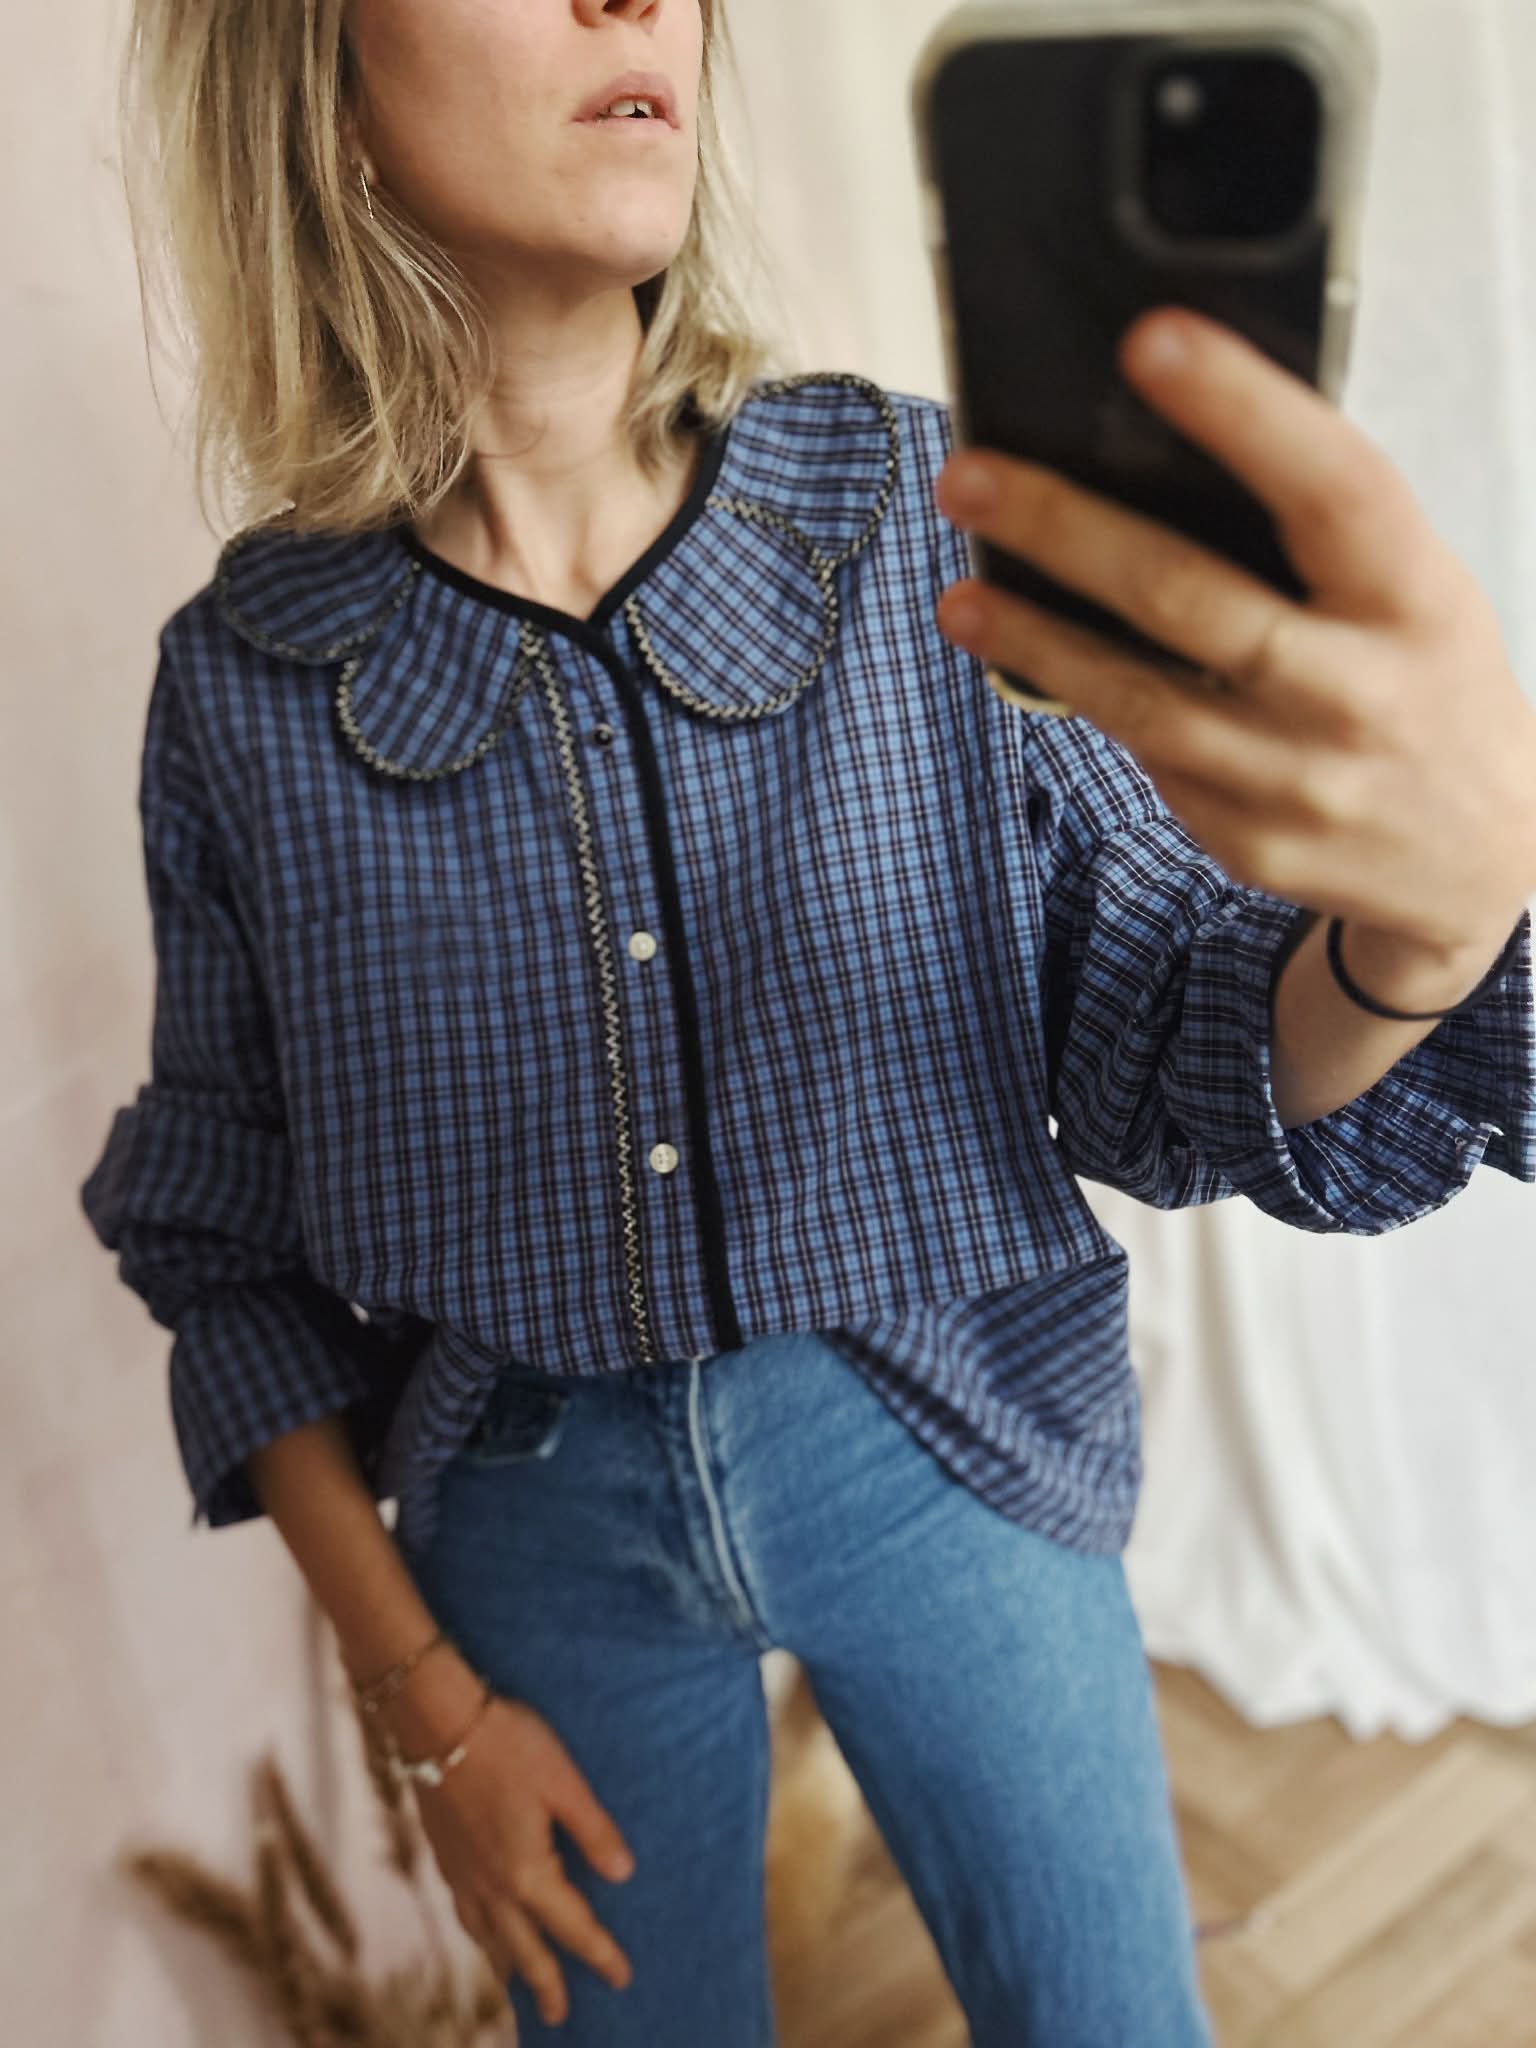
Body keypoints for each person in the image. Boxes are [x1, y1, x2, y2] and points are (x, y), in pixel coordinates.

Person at [81, 2, 1536, 2043]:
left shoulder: (921, 514)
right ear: (314, 82)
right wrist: (422, 1709)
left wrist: (1428, 934)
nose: (636, 0)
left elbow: (1180, 1029)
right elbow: (225, 1255)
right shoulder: (243, 692)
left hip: (948, 1431)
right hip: (529, 1529)